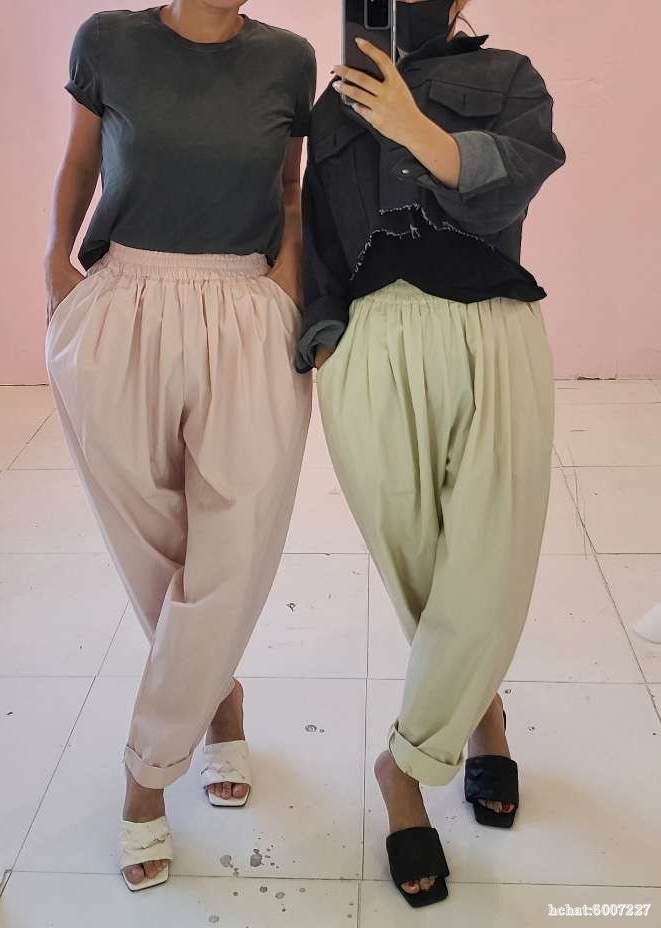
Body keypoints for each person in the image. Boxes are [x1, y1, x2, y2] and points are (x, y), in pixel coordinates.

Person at [44, 1, 316, 892]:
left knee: (231, 546)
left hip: (246, 306)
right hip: (123, 300)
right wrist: (56, 266)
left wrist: (286, 282)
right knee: (153, 545)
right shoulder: (108, 40)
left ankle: (147, 774)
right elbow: (80, 162)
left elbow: (290, 187)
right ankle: (218, 697)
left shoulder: (288, 58)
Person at [299, 0, 565, 908]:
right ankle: (482, 716)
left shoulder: (509, 76)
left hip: (491, 326)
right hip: (371, 344)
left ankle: (404, 767)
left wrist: (414, 126)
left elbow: (511, 188)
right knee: (416, 563)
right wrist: (327, 339)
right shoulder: (333, 103)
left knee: (490, 561)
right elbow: (318, 236)